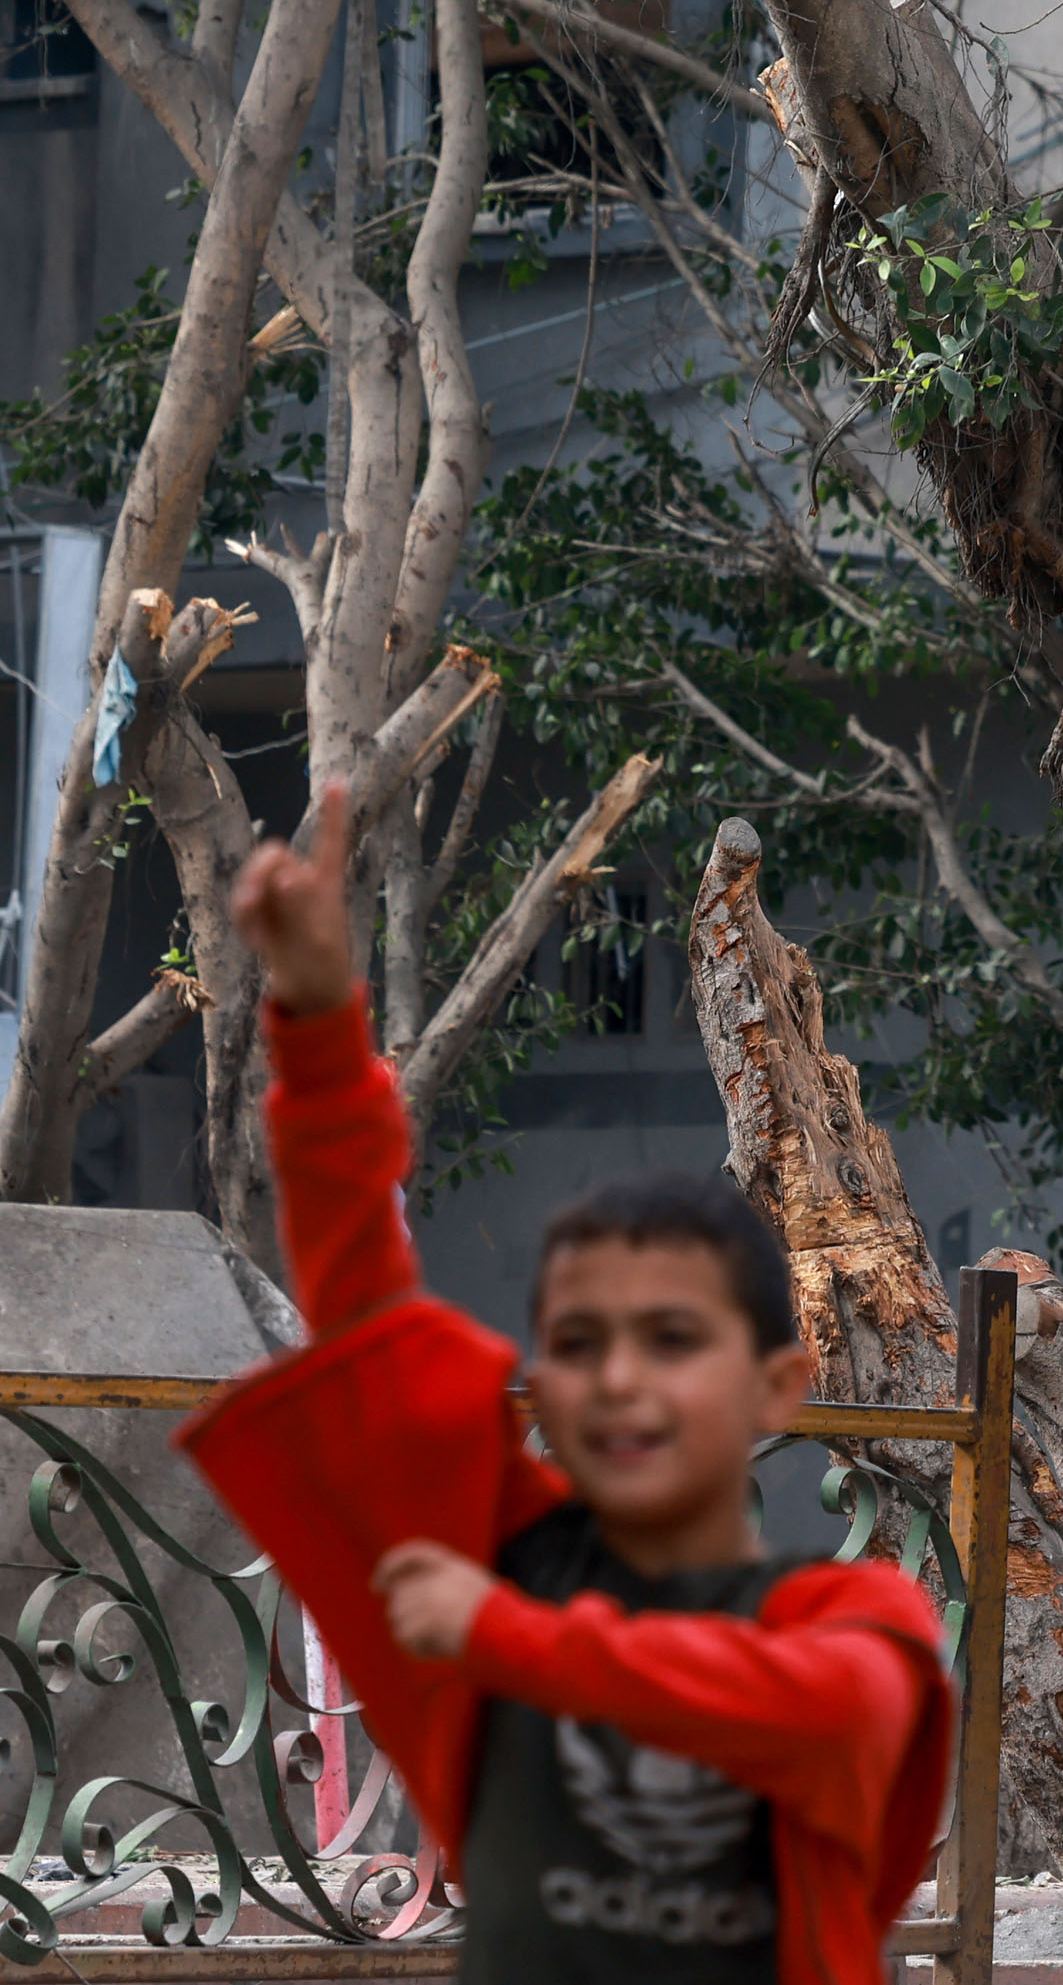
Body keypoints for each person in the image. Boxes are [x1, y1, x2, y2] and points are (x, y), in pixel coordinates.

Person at [182, 788, 951, 1985]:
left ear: (778, 1383)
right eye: (581, 1343)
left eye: (672, 1339)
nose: (621, 1379)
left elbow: (815, 1717)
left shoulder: (853, 1622)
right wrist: (322, 1024)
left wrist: (512, 1640)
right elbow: (373, 1334)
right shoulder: (511, 1564)